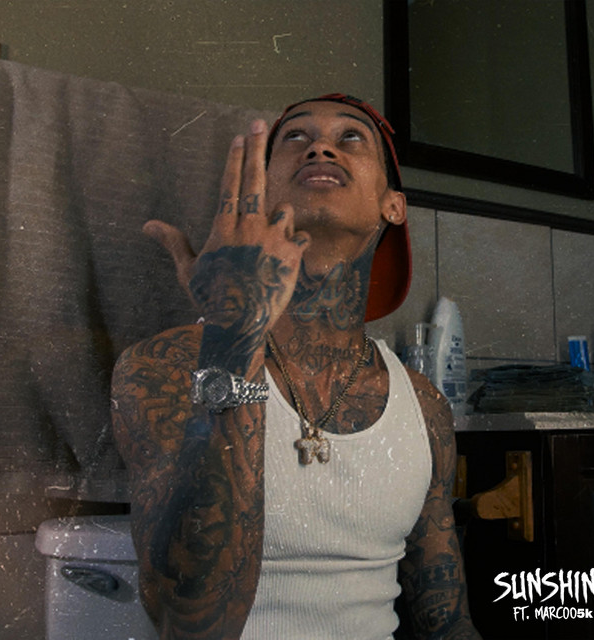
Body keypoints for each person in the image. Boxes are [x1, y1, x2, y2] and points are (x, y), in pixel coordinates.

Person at [111, 93, 481, 640]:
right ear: (261, 195)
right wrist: (234, 336)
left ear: (393, 206)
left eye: (350, 137)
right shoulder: (167, 367)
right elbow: (188, 624)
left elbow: (446, 624)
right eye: (296, 138)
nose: (320, 149)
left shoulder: (424, 406)